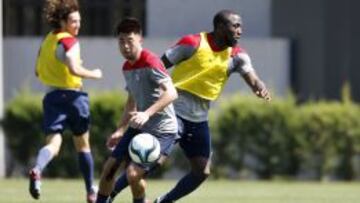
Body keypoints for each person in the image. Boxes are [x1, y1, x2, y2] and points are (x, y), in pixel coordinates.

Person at [109, 9, 271, 203]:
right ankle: (109, 194)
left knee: (202, 170)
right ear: (220, 27)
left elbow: (252, 78)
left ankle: (162, 201)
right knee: (154, 159)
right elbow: (157, 66)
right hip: (173, 111)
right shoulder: (192, 43)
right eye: (235, 26)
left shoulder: (237, 56)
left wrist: (259, 87)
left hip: (199, 118)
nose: (240, 31)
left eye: (240, 27)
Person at [95, 17, 178, 203]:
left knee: (133, 174)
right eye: (121, 41)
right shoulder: (127, 67)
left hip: (163, 131)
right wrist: (120, 129)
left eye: (129, 40)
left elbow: (172, 93)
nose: (125, 46)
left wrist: (147, 113)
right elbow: (131, 101)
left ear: (140, 39)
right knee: (109, 168)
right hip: (139, 127)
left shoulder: (151, 61)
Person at [29, 0, 103, 202]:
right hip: (74, 97)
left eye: (79, 21)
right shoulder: (69, 41)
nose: (77, 25)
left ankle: (37, 169)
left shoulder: (47, 41)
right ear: (62, 21)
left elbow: (37, 71)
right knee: (83, 145)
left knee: (53, 144)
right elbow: (73, 68)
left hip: (52, 97)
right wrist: (94, 74)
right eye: (73, 21)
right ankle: (90, 192)